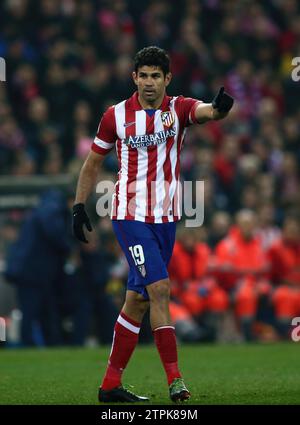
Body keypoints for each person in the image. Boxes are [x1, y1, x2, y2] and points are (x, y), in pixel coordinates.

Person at [72, 46, 234, 403]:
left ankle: (110, 385)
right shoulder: (115, 115)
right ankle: (175, 379)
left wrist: (220, 108)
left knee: (138, 300)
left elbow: (207, 112)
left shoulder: (177, 109)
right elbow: (92, 163)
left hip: (166, 220)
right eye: (142, 76)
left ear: (167, 79)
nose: (148, 83)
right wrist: (79, 205)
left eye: (155, 76)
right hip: (130, 216)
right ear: (134, 78)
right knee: (160, 289)